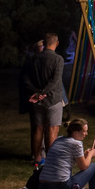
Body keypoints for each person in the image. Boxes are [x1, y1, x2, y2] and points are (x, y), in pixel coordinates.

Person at [22, 32, 66, 167]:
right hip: (53, 99)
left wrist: (36, 93)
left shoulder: (34, 59)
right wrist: (43, 93)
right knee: (52, 130)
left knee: (38, 129)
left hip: (37, 100)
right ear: (56, 43)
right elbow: (55, 80)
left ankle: (37, 158)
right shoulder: (58, 59)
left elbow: (26, 80)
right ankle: (51, 160)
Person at [37, 118, 95, 189]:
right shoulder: (76, 144)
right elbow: (83, 166)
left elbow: (65, 159)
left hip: (43, 188)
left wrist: (84, 155)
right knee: (94, 167)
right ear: (75, 133)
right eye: (84, 131)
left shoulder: (58, 140)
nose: (86, 134)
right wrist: (90, 155)